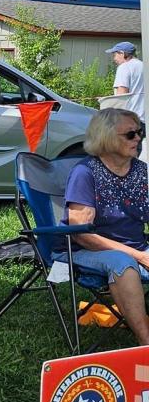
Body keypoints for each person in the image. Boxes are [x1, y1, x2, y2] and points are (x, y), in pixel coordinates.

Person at [63, 108, 149, 344]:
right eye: (130, 134)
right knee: (123, 263)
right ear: (107, 137)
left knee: (127, 260)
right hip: (88, 252)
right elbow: (82, 236)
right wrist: (139, 256)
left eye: (140, 132)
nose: (139, 139)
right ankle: (146, 345)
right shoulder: (85, 173)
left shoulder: (141, 171)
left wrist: (140, 254)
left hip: (137, 247)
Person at [107, 40, 144, 120]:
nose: (114, 59)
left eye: (115, 55)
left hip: (132, 120)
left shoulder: (124, 67)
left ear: (122, 53)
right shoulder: (143, 65)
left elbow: (121, 97)